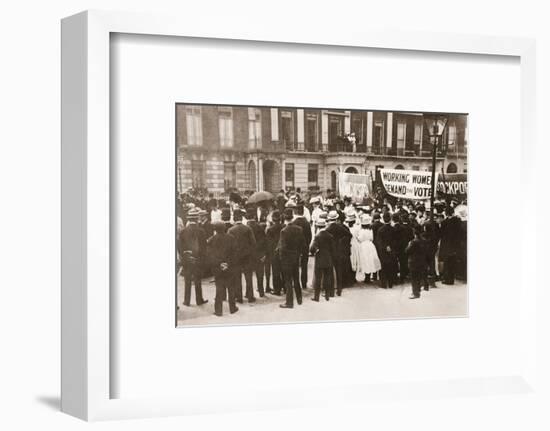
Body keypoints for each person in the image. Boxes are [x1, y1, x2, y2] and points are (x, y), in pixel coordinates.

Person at [178, 208, 208, 306]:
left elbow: (179, 246)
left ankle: (187, 301)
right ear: (196, 219)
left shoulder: (183, 232)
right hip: (198, 259)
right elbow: (204, 247)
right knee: (197, 280)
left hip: (187, 258)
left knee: (187, 280)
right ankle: (199, 300)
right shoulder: (201, 231)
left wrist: (184, 256)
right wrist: (202, 258)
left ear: (188, 219)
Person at [207, 222, 238, 316]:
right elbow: (234, 253)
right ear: (224, 228)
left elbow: (210, 255)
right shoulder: (231, 238)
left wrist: (219, 264)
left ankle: (218, 310)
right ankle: (232, 308)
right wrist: (227, 263)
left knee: (219, 288)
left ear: (215, 229)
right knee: (231, 287)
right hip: (230, 266)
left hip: (217, 267)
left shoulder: (211, 240)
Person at [278, 208, 307, 308]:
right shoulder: (299, 229)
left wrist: (281, 259)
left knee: (288, 281)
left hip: (287, 259)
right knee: (296, 278)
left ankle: (289, 302)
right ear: (292, 217)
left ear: (285, 219)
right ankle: (299, 299)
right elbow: (303, 244)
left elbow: (282, 248)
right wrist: (299, 254)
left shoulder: (284, 231)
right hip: (296, 256)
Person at [227, 209, 257, 303]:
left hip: (236, 257)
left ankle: (239, 297)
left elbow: (229, 245)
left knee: (237, 277)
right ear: (241, 217)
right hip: (247, 256)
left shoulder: (230, 230)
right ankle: (250, 296)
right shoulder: (248, 228)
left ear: (234, 218)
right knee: (248, 276)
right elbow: (253, 243)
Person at [325, 210, 352, 296]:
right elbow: (349, 235)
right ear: (336, 218)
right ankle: (339, 290)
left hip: (330, 251)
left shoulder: (327, 229)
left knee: (330, 271)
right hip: (339, 251)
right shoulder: (340, 227)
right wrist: (341, 240)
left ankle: (331, 291)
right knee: (338, 270)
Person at [310, 217, 336, 301]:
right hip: (328, 258)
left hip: (319, 259)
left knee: (318, 278)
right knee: (327, 277)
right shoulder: (330, 236)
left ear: (318, 226)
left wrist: (314, 252)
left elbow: (312, 248)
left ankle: (316, 297)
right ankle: (327, 295)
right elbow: (333, 248)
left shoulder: (317, 236)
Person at [439, 207, 462, 285]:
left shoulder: (444, 222)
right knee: (452, 262)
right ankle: (451, 279)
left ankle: (447, 279)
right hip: (454, 245)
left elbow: (441, 234)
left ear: (446, 213)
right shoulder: (457, 221)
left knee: (447, 262)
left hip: (446, 245)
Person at [247, 208, 267, 297]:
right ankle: (261, 291)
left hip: (249, 255)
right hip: (259, 253)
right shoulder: (259, 227)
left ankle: (249, 293)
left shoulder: (246, 228)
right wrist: (263, 254)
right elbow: (264, 241)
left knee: (249, 275)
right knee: (260, 273)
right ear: (255, 217)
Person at [355, 215, 382, 283]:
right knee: (371, 260)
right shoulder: (370, 230)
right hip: (370, 245)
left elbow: (360, 239)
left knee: (365, 261)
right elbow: (372, 238)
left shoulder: (361, 231)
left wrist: (357, 238)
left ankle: (367, 277)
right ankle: (372, 275)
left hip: (363, 245)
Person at [375, 212, 398, 289]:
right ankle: (390, 283)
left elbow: (379, 241)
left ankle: (384, 284)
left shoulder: (380, 230)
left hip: (383, 251)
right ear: (390, 219)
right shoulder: (393, 229)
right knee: (391, 266)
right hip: (392, 250)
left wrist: (385, 247)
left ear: (383, 219)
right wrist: (390, 247)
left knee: (383, 267)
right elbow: (396, 240)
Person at [292, 203, 312, 289]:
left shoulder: (294, 223)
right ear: (303, 212)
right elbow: (310, 236)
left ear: (296, 212)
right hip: (305, 247)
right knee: (304, 266)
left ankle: (296, 283)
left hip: (296, 248)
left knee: (295, 265)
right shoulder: (307, 223)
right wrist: (307, 244)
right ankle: (304, 283)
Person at [405, 226, 428, 299]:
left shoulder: (413, 242)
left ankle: (415, 293)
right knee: (418, 276)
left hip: (413, 261)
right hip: (421, 261)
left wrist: (408, 245)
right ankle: (418, 289)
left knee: (414, 278)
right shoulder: (424, 241)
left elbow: (407, 251)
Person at [266, 210, 283, 295]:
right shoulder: (284, 227)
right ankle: (285, 287)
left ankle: (277, 289)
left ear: (273, 219)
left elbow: (269, 244)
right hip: (283, 251)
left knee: (275, 271)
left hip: (274, 252)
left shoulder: (270, 229)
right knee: (283, 270)